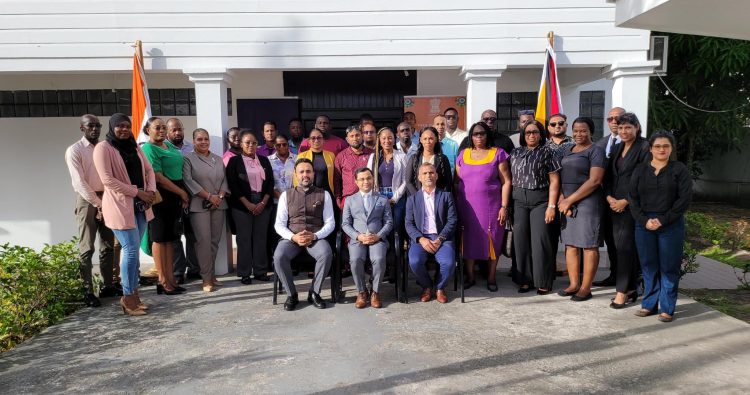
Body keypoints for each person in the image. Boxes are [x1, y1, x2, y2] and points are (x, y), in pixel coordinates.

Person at [93, 113, 156, 316]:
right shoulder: (103, 148)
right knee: (129, 250)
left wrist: (151, 192)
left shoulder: (134, 146)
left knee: (134, 250)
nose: (123, 129)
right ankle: (128, 298)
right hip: (121, 206)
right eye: (119, 126)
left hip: (141, 205)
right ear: (112, 128)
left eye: (127, 126)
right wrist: (138, 192)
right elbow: (108, 181)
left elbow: (149, 170)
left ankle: (135, 296)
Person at [629, 131, 692, 323]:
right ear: (651, 149)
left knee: (669, 267)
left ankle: (667, 308)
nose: (662, 149)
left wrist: (663, 220)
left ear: (671, 148)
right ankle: (649, 304)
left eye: (666, 146)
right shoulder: (640, 170)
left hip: (671, 224)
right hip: (644, 224)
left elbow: (684, 199)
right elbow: (632, 198)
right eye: (657, 146)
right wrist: (644, 220)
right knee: (648, 266)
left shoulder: (679, 170)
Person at [65, 114, 117, 307]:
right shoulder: (75, 150)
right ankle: (86, 290)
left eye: (97, 125)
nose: (94, 129)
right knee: (87, 247)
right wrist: (97, 204)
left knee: (108, 244)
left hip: (107, 196)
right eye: (90, 126)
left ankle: (107, 285)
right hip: (87, 200)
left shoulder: (105, 147)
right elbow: (79, 182)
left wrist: (106, 201)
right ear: (82, 128)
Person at [455, 122, 512, 292]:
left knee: (492, 240)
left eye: (482, 133)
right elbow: (457, 182)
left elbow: (507, 181)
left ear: (488, 135)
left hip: (491, 208)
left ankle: (491, 277)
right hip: (466, 207)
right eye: (475, 134)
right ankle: (470, 277)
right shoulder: (463, 155)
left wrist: (504, 206)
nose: (479, 137)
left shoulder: (498, 153)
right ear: (470, 137)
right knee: (468, 241)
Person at [273, 158, 336, 311]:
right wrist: (293, 237)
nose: (305, 175)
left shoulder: (324, 194)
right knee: (279, 256)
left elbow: (330, 223)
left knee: (326, 253)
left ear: (313, 173)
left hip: (315, 237)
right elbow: (279, 224)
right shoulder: (286, 195)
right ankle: (292, 294)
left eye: (308, 171)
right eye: (301, 172)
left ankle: (314, 292)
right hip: (292, 238)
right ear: (295, 174)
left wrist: (315, 236)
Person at [556, 117, 606, 302]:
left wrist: (569, 201)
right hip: (567, 202)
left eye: (583, 130)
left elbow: (595, 181)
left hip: (588, 202)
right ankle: (573, 284)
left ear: (591, 132)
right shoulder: (566, 150)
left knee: (589, 245)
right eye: (576, 130)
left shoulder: (596, 151)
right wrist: (562, 199)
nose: (578, 134)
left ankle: (586, 287)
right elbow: (558, 177)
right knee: (571, 245)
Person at [509, 121, 561, 295]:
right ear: (523, 134)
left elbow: (554, 181)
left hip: (541, 201)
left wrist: (552, 206)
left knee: (540, 242)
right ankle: (524, 280)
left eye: (535, 132)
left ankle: (543, 281)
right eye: (528, 132)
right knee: (520, 242)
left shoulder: (548, 152)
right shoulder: (515, 153)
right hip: (518, 202)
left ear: (541, 134)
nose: (532, 135)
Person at [605, 113, 651, 308]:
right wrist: (608, 197)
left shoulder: (645, 147)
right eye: (621, 127)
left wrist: (626, 201)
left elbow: (647, 179)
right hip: (613, 204)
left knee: (625, 248)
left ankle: (621, 292)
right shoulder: (616, 148)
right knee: (620, 248)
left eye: (628, 128)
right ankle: (631, 287)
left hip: (632, 206)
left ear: (637, 127)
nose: (624, 131)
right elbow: (608, 177)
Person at [141, 117, 188, 295]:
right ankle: (162, 281)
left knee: (171, 239)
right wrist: (181, 192)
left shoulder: (169, 147)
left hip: (174, 196)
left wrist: (181, 193)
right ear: (148, 130)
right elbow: (159, 177)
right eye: (156, 128)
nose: (161, 130)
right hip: (161, 196)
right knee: (160, 239)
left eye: (162, 127)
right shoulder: (148, 148)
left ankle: (171, 279)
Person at [182, 128, 229, 293]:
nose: (203, 142)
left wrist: (220, 197)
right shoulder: (188, 159)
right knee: (203, 241)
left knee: (215, 241)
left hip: (218, 204)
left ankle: (212, 275)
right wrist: (209, 196)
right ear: (193, 141)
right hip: (200, 205)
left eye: (206, 139)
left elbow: (225, 180)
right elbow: (188, 181)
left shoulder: (217, 159)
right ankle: (206, 278)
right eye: (199, 139)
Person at [405, 163, 458, 304]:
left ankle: (440, 287)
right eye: (425, 173)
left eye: (431, 173)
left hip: (442, 237)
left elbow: (452, 220)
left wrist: (440, 239)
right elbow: (409, 223)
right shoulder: (412, 199)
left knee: (448, 262)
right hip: (421, 238)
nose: (428, 175)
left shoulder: (446, 196)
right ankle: (427, 286)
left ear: (437, 175)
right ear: (419, 178)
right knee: (415, 261)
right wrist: (421, 239)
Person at [226, 131, 274, 284]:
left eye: (254, 142)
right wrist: (247, 204)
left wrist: (262, 203)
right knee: (244, 239)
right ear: (241, 144)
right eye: (247, 142)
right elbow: (233, 185)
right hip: (242, 205)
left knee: (260, 238)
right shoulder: (234, 162)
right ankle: (245, 272)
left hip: (262, 203)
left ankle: (260, 271)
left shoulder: (264, 161)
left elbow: (270, 183)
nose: (251, 145)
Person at [341, 167, 393, 309]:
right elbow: (345, 224)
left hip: (377, 238)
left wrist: (378, 236)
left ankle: (375, 292)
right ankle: (362, 291)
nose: (366, 182)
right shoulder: (350, 200)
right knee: (355, 259)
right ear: (356, 182)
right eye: (362, 179)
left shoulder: (382, 199)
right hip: (358, 239)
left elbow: (389, 222)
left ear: (373, 179)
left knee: (379, 259)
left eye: (368, 178)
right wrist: (358, 236)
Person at [593, 106, 626, 287]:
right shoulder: (601, 143)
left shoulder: (635, 144)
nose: (614, 122)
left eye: (618, 118)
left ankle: (629, 278)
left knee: (625, 242)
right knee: (610, 240)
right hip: (604, 200)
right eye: (610, 119)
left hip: (624, 202)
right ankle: (615, 275)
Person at [167, 117, 199, 284]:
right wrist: (180, 195)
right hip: (172, 198)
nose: (178, 132)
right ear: (167, 132)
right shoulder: (164, 148)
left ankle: (194, 269)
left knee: (192, 234)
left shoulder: (190, 147)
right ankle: (178, 271)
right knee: (175, 237)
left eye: (180, 129)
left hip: (192, 196)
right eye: (174, 130)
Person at [367, 127, 407, 228]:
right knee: (380, 226)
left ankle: (397, 244)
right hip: (378, 196)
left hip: (397, 196)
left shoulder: (402, 156)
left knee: (396, 226)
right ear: (379, 141)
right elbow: (368, 178)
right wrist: (377, 197)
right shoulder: (373, 157)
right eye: (383, 138)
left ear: (394, 139)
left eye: (390, 138)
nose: (387, 141)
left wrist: (394, 199)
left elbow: (405, 180)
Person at [268, 135, 297, 267]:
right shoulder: (269, 161)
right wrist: (281, 198)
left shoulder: (296, 159)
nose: (281, 147)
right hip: (276, 202)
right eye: (278, 145)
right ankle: (277, 262)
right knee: (277, 233)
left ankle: (293, 263)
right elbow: (269, 183)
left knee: (291, 232)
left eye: (284, 144)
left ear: (288, 145)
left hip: (294, 202)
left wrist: (290, 199)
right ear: (274, 146)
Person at [334, 125, 374, 209]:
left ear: (362, 136)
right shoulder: (341, 156)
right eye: (351, 136)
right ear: (347, 139)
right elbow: (336, 180)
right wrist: (338, 200)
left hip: (369, 198)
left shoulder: (372, 154)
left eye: (357, 135)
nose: (355, 138)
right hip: (348, 199)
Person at [404, 127, 453, 195]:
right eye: (425, 139)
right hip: (419, 200)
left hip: (437, 199)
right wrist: (419, 197)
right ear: (420, 140)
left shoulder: (443, 159)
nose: (428, 142)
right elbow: (408, 181)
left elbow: (448, 182)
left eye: (431, 138)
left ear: (436, 139)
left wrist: (441, 197)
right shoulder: (414, 159)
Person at [295, 128, 336, 197]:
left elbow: (335, 177)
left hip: (327, 193)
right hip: (307, 193)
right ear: (309, 141)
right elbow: (296, 177)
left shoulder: (331, 156)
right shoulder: (302, 156)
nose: (316, 140)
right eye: (313, 138)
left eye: (319, 138)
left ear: (323, 140)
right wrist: (299, 194)